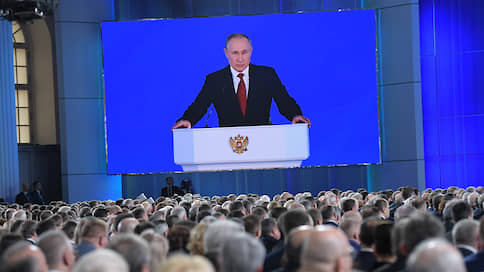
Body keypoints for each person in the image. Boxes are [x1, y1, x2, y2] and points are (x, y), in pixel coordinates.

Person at [172, 33, 310, 130]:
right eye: (235, 53)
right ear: (226, 53)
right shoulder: (215, 80)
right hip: (227, 144)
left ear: (251, 51)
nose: (240, 59)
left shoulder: (267, 75)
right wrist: (187, 120)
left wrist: (295, 115)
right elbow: (199, 106)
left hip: (264, 140)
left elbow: (284, 101)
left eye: (244, 52)